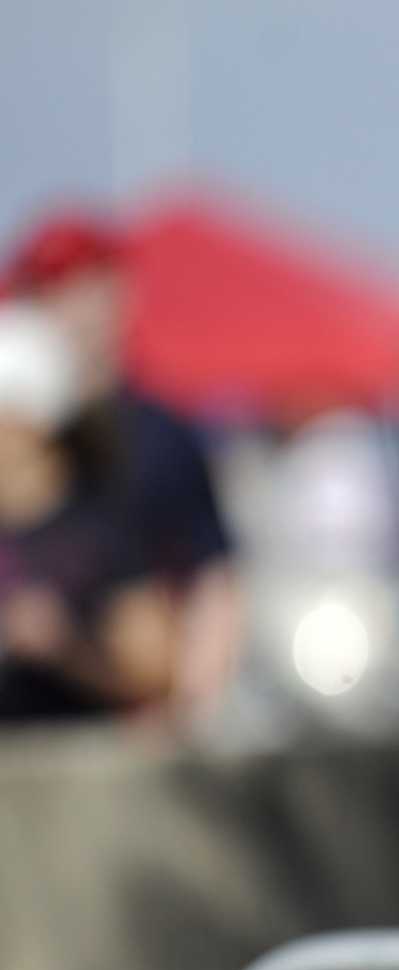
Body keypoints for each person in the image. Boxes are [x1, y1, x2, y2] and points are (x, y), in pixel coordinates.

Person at [2, 213, 242, 718]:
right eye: (51, 291)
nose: (71, 309)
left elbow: (211, 581)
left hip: (131, 706)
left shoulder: (160, 434)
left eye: (85, 287)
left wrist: (187, 709)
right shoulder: (32, 422)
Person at [0, 302, 180, 718]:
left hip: (76, 767)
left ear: (34, 424)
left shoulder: (96, 532)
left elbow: (156, 671)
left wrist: (63, 646)